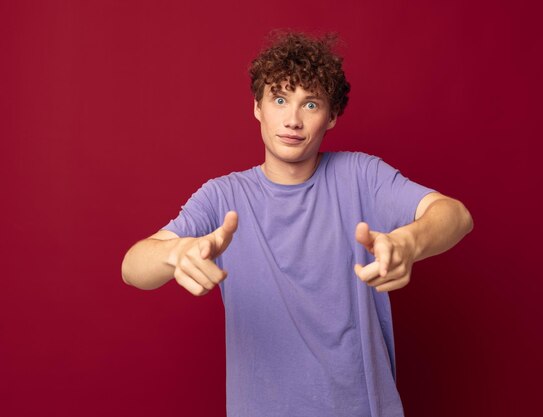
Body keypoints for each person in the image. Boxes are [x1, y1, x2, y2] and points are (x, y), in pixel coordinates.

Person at [122, 31, 473, 417]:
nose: (292, 120)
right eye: (279, 99)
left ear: (332, 116)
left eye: (310, 103)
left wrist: (409, 242)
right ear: (257, 106)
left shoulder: (361, 175)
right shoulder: (223, 197)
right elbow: (133, 266)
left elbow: (456, 215)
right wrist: (176, 253)